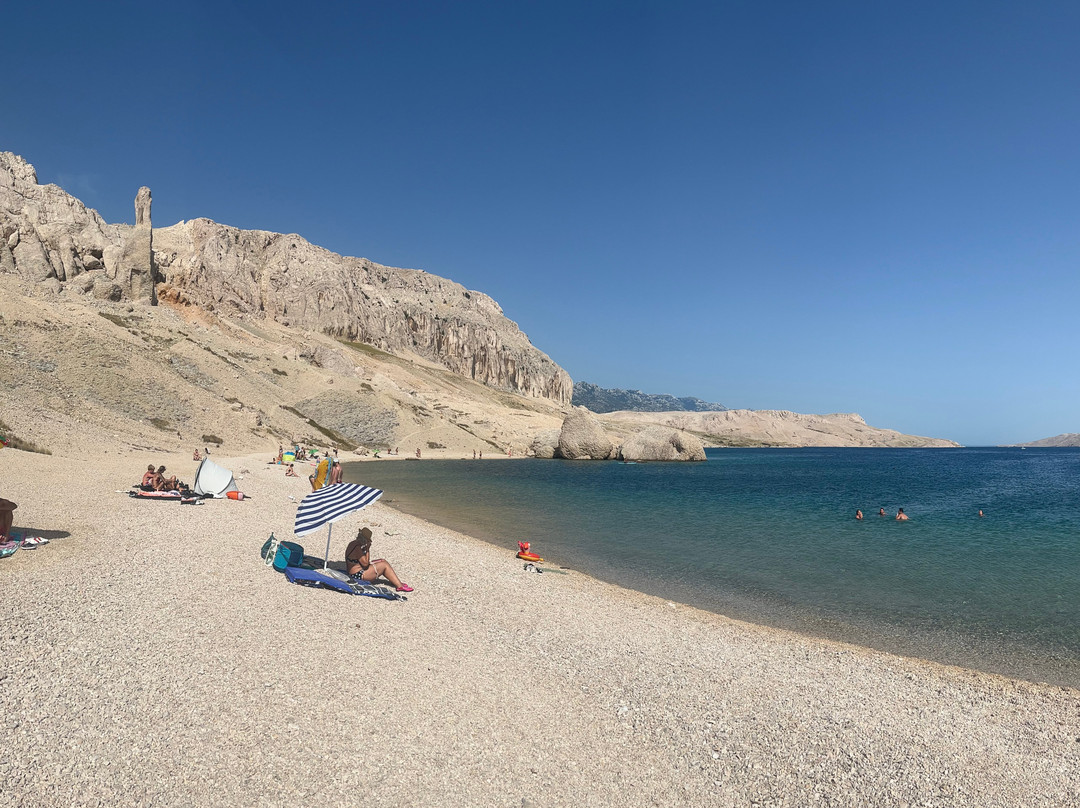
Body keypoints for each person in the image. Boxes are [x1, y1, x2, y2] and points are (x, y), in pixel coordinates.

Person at [345, 527, 413, 592]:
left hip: (353, 572)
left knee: (382, 561)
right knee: (384, 565)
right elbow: (365, 564)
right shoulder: (357, 548)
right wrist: (367, 549)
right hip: (358, 575)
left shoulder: (353, 543)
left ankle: (395, 581)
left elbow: (360, 561)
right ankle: (399, 586)